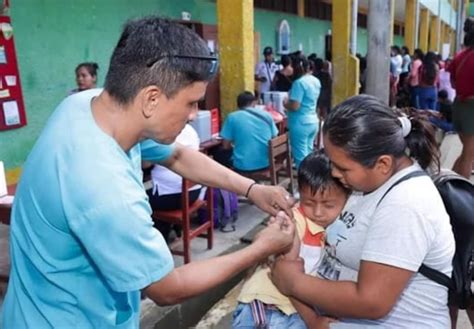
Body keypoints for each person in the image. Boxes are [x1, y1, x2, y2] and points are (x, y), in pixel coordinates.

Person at [1, 17, 296, 329]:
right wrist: (261, 247)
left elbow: (180, 155)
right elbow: (168, 288)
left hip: (37, 306)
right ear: (152, 99)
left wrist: (252, 189)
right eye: (191, 103)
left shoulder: (88, 104)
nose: (193, 114)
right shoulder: (104, 188)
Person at [270, 94, 455, 328]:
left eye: (342, 168)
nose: (334, 174)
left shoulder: (405, 204)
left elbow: (372, 302)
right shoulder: (366, 183)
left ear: (383, 164)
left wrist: (294, 283)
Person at [233, 151, 350, 329]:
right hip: (268, 307)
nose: (318, 212)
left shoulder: (338, 228)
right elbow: (288, 279)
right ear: (299, 195)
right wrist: (313, 320)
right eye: (309, 203)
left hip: (293, 309)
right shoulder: (294, 222)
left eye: (328, 205)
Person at [144, 123, 201, 242]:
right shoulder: (191, 130)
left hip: (170, 197)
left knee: (142, 201)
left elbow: (146, 164)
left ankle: (160, 239)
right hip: (193, 193)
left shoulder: (159, 132)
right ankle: (174, 228)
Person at [220, 91, 278, 172]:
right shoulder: (267, 115)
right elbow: (275, 138)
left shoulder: (232, 117)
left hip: (243, 166)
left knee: (219, 154)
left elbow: (225, 145)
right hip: (266, 163)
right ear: (254, 103)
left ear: (238, 104)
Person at [448, 18, 474, 179]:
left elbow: (452, 82)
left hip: (459, 105)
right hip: (471, 108)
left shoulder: (460, 56)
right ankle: (460, 191)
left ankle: (448, 180)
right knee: (468, 155)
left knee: (467, 152)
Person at [283, 54, 320, 168]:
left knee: (300, 159)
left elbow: (295, 106)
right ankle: (311, 181)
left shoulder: (299, 83)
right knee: (308, 154)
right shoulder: (315, 80)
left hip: (300, 123)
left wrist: (285, 103)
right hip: (312, 120)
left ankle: (303, 183)